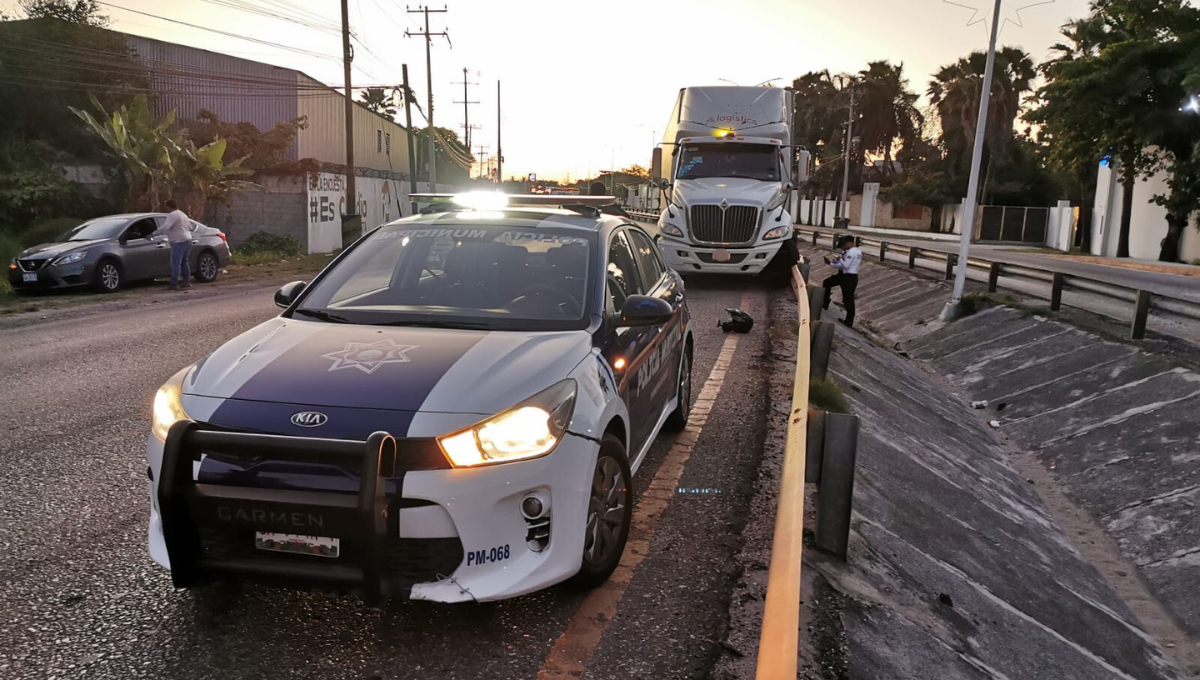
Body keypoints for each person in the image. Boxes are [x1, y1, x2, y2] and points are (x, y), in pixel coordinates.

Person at [822, 235, 862, 327]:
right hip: (843, 275)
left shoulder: (852, 252)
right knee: (827, 282)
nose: (842, 248)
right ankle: (825, 302)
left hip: (849, 277)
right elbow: (843, 265)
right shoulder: (855, 251)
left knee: (848, 299)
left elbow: (846, 265)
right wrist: (832, 263)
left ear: (848, 243)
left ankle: (849, 321)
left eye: (843, 245)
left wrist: (839, 259)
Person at [153, 199, 193, 290]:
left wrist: (155, 233)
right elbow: (190, 227)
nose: (165, 209)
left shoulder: (172, 215)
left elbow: (166, 226)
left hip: (179, 241)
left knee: (175, 263)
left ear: (169, 206)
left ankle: (174, 283)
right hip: (188, 239)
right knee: (184, 261)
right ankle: (186, 281)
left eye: (165, 207)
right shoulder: (183, 214)